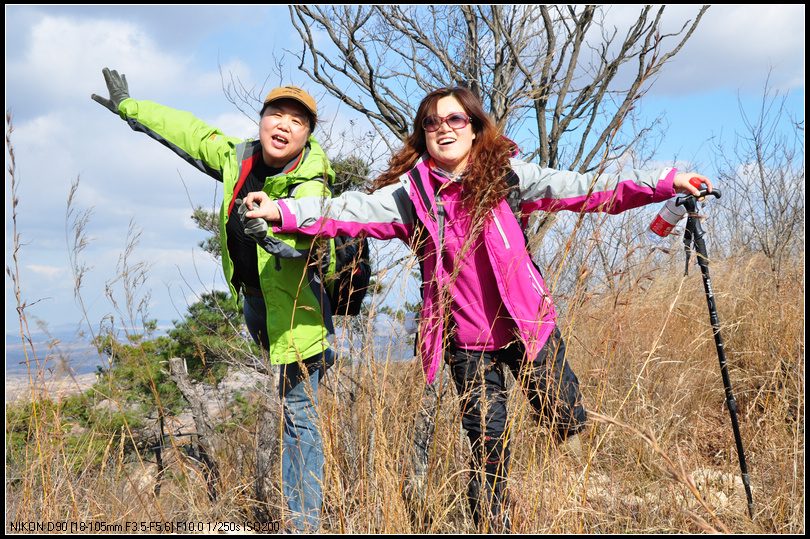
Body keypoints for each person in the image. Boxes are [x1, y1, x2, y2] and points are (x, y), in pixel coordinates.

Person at [244, 86, 712, 532]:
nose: (442, 128)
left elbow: (591, 190)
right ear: (423, 134)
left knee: (566, 419)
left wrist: (665, 182)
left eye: (454, 119)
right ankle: (495, 524)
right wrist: (279, 212)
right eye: (431, 123)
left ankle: (561, 489)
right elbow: (348, 210)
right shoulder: (411, 195)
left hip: (529, 329)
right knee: (488, 451)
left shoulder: (509, 177)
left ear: (473, 127)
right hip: (467, 346)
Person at [91, 68, 336, 532]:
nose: (283, 126)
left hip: (299, 310)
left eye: (296, 122)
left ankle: (303, 526)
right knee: (287, 408)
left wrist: (276, 231)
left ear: (307, 135)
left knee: (300, 416)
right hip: (257, 303)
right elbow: (189, 131)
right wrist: (131, 108)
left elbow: (311, 223)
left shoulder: (311, 177)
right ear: (261, 120)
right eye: (275, 115)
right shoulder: (238, 157)